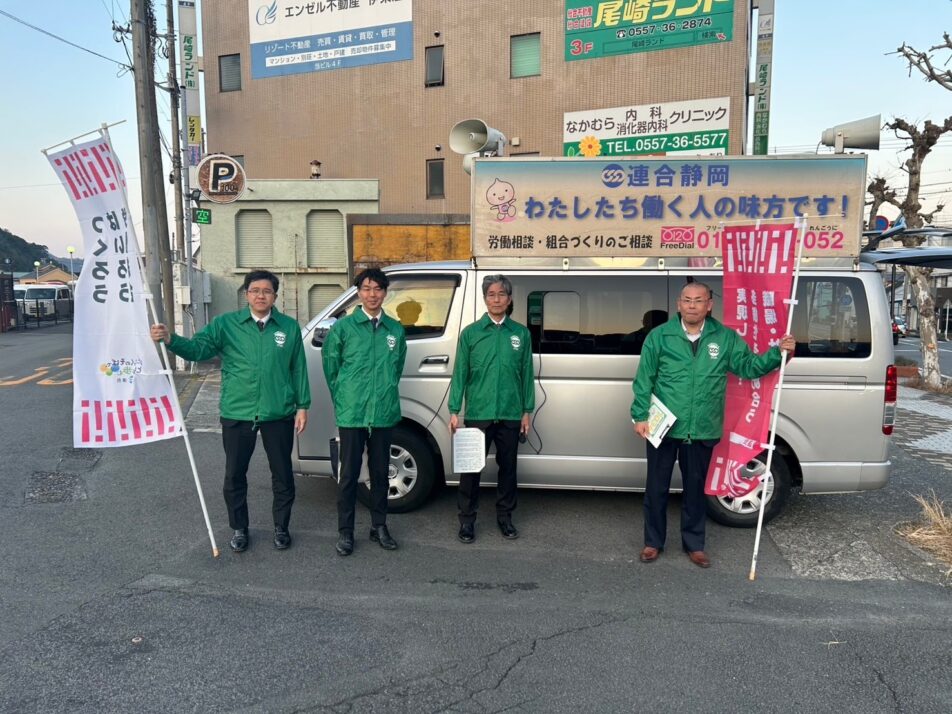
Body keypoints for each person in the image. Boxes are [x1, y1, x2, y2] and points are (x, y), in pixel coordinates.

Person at [630, 282, 795, 568]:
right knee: (656, 487)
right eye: (687, 300)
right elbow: (644, 379)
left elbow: (749, 367)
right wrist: (640, 415)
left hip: (703, 426)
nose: (692, 305)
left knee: (696, 490)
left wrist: (780, 353)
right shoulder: (660, 337)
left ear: (709, 305)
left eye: (698, 300)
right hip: (663, 427)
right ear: (679, 304)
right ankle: (652, 542)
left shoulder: (725, 338)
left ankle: (694, 545)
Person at [150, 270, 310, 553]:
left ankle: (281, 527)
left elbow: (298, 368)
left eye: (267, 291)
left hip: (279, 412)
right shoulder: (226, 324)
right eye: (255, 290)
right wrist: (170, 339)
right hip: (238, 411)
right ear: (246, 294)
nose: (261, 295)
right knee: (235, 474)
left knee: (283, 473)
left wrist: (302, 406)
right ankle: (239, 528)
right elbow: (198, 349)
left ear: (275, 296)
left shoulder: (288, 327)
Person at [322, 268, 407, 556]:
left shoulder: (395, 329)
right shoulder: (343, 329)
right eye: (367, 288)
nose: (373, 294)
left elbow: (396, 369)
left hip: (383, 412)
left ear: (385, 293)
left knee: (381, 474)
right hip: (352, 414)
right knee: (348, 476)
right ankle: (345, 532)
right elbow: (332, 370)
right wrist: (346, 399)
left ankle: (379, 526)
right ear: (358, 292)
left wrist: (381, 394)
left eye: (378, 289)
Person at [448, 274, 535, 543]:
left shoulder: (520, 333)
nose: (496, 299)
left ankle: (505, 518)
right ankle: (467, 521)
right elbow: (460, 373)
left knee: (508, 468)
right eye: (491, 294)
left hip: (510, 412)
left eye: (501, 295)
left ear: (509, 300)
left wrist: (526, 410)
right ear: (485, 299)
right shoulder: (471, 333)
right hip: (479, 412)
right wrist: (454, 410)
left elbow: (526, 374)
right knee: (471, 469)